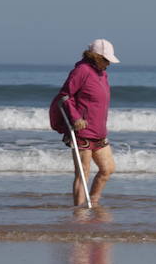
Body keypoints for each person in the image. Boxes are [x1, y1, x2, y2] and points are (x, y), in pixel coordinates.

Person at [49, 39, 120, 206]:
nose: (109, 63)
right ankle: (79, 213)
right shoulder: (81, 71)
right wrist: (75, 118)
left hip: (99, 131)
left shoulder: (102, 73)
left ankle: (93, 201)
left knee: (107, 169)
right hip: (83, 131)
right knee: (83, 173)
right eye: (106, 59)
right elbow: (65, 96)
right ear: (96, 56)